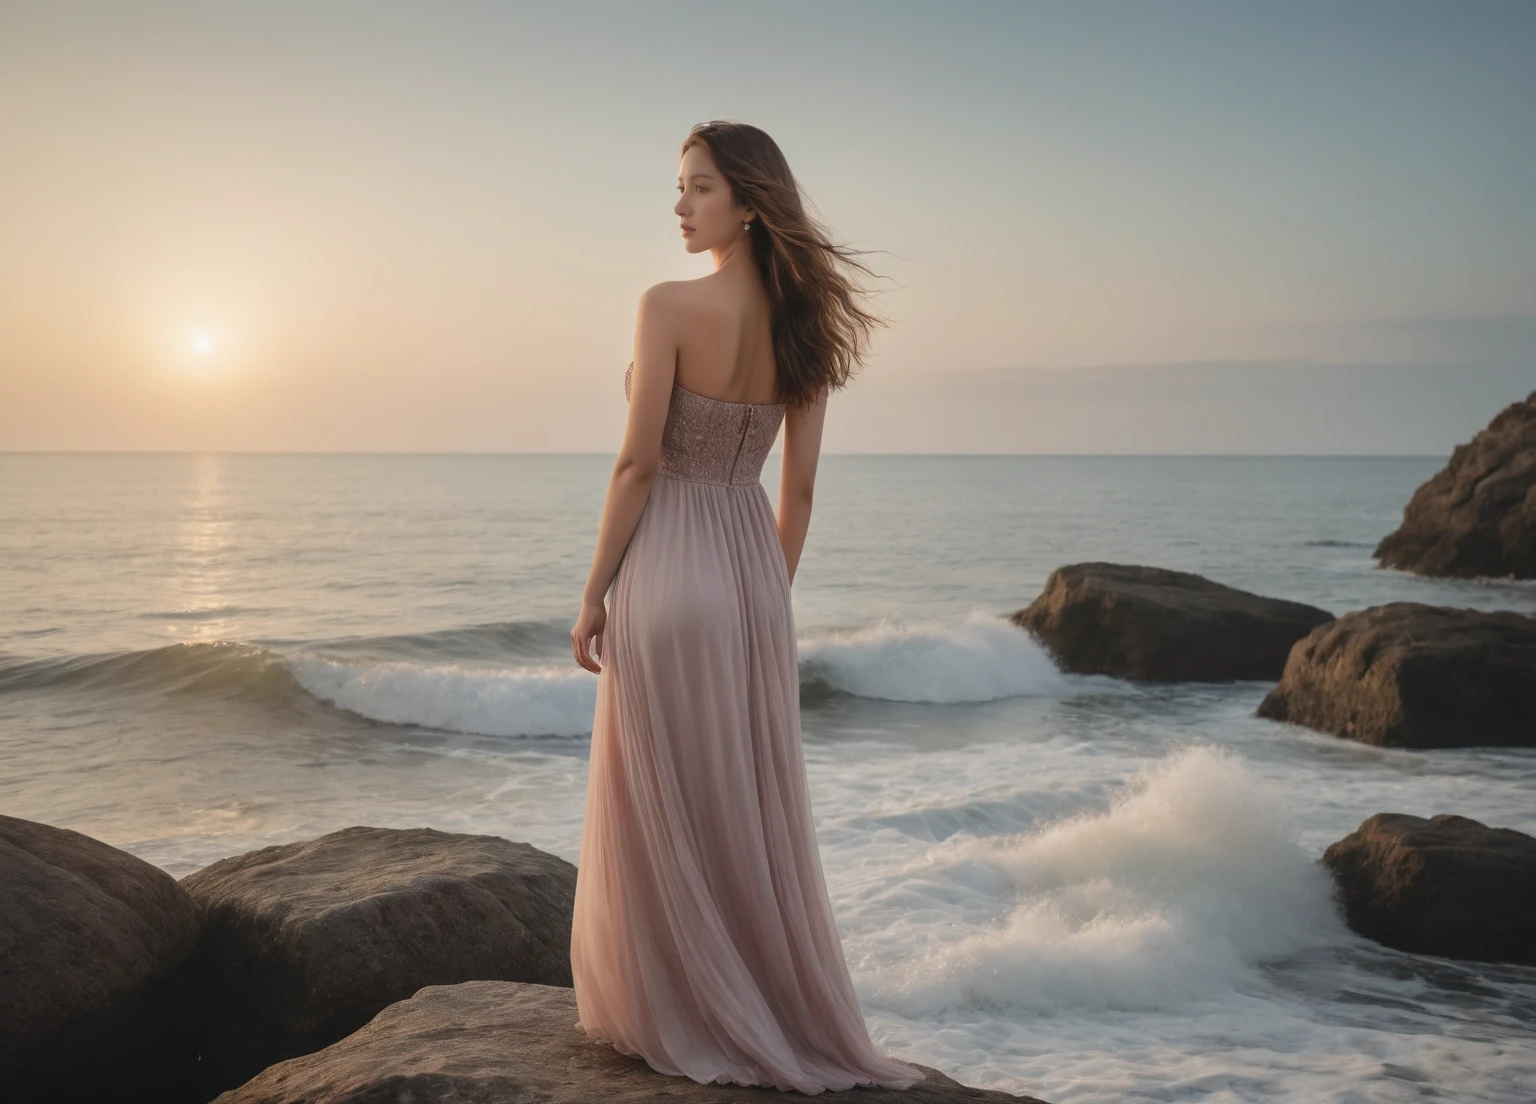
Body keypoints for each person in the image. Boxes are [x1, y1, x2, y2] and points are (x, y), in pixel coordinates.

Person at [567, 121, 925, 1094]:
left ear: (750, 203)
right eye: (680, 189)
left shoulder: (667, 304)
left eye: (698, 189)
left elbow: (640, 462)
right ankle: (764, 1006)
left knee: (664, 797)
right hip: (752, 578)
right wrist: (762, 594)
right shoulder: (806, 326)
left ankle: (679, 1010)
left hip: (668, 565)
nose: (680, 206)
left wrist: (594, 590)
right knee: (744, 804)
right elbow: (798, 494)